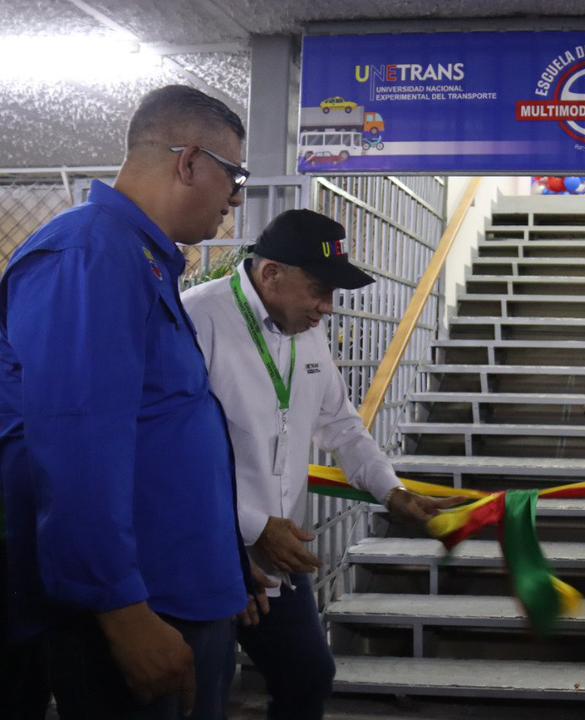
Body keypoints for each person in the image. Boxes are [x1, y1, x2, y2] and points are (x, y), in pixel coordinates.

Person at [0, 84, 264, 719]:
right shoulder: (91, 254)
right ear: (189, 161)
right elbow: (77, 448)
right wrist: (122, 611)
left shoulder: (140, 260)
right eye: (234, 178)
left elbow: (160, 430)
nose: (233, 201)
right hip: (141, 607)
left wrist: (226, 561)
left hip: (177, 591)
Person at [181, 208, 459, 720]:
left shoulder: (302, 327)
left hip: (277, 553)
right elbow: (171, 454)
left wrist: (390, 491)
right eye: (319, 290)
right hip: (204, 547)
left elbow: (341, 425)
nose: (327, 308)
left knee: (309, 675)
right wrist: (241, 537)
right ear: (271, 274)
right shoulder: (197, 320)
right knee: (203, 696)